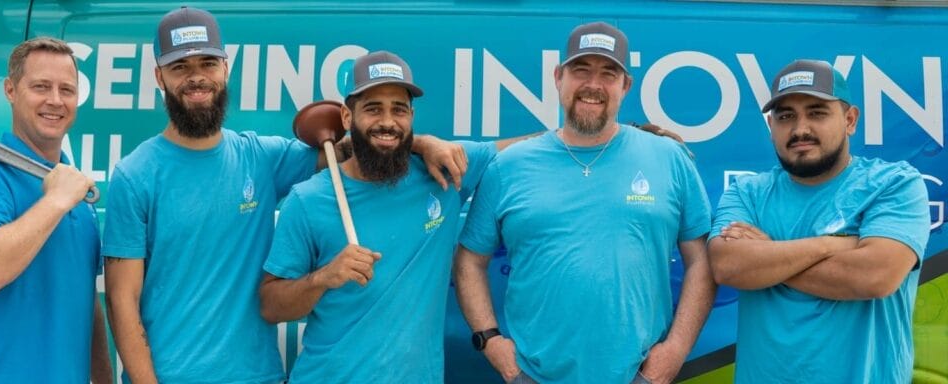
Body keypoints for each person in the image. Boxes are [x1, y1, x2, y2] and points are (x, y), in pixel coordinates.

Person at [101, 8, 465, 384]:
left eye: (208, 63)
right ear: (159, 76)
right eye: (180, 67)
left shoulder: (262, 158)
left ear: (226, 68)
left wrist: (423, 142)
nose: (197, 78)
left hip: (258, 377)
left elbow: (359, 146)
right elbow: (121, 301)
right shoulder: (135, 175)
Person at [452, 21, 716, 384]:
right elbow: (469, 258)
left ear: (626, 86)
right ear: (558, 77)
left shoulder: (670, 158)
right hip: (531, 376)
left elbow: (702, 260)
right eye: (581, 70)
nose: (593, 84)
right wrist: (491, 341)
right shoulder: (509, 165)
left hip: (639, 376)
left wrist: (675, 351)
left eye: (608, 73)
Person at [257, 50, 536, 383]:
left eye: (398, 110)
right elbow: (271, 306)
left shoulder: (444, 173)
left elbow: (532, 150)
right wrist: (324, 277)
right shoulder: (309, 199)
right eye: (373, 108)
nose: (387, 121)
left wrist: (606, 135)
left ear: (412, 117)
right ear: (347, 117)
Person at [708, 59, 929, 383]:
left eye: (817, 112)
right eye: (786, 116)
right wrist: (831, 245)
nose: (800, 129)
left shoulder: (894, 183)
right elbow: (729, 266)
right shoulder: (748, 193)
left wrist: (769, 256)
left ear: (850, 120)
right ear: (771, 126)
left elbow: (875, 277)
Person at [0, 37, 111, 383]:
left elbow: (87, 303)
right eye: (40, 87)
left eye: (67, 89)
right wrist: (55, 200)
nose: (55, 100)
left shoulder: (77, 194)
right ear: (10, 90)